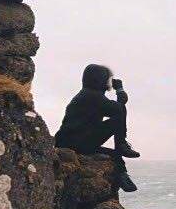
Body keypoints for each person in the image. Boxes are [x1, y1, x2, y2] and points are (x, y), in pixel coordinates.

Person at [54, 63, 140, 192]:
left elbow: (115, 107)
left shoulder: (88, 95)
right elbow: (119, 108)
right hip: (78, 141)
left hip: (72, 141)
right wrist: (120, 89)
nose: (109, 82)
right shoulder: (92, 96)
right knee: (119, 114)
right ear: (99, 79)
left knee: (114, 154)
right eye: (107, 78)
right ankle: (122, 145)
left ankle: (122, 175)